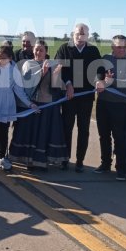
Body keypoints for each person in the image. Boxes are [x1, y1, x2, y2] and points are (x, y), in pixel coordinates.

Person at [9, 40, 68, 170]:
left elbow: (58, 87)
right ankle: (29, 161)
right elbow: (27, 85)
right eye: (36, 49)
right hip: (32, 105)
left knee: (43, 135)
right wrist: (42, 72)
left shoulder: (52, 64)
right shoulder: (28, 64)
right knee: (31, 134)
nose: (38, 52)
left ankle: (41, 162)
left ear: (46, 52)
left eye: (41, 50)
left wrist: (57, 76)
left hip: (47, 105)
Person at [0, 46, 37, 173]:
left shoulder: (13, 70)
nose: (0, 61)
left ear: (10, 58)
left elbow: (19, 90)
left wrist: (29, 104)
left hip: (7, 104)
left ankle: (2, 157)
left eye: (4, 58)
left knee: (4, 132)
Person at [54, 23, 102, 172]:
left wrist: (99, 80)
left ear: (87, 36)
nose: (80, 37)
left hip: (86, 98)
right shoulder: (64, 48)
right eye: (77, 34)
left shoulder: (93, 50)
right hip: (69, 97)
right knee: (66, 128)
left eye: (83, 34)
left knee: (84, 130)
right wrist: (68, 83)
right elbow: (58, 68)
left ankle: (80, 160)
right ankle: (65, 158)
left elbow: (99, 69)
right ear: (72, 34)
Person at [94, 35, 126, 180]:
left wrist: (110, 82)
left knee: (119, 136)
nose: (122, 50)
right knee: (103, 135)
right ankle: (105, 163)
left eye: (125, 47)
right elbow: (98, 76)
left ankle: (121, 168)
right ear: (112, 47)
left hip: (120, 105)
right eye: (119, 47)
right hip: (103, 103)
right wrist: (98, 82)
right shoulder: (105, 58)